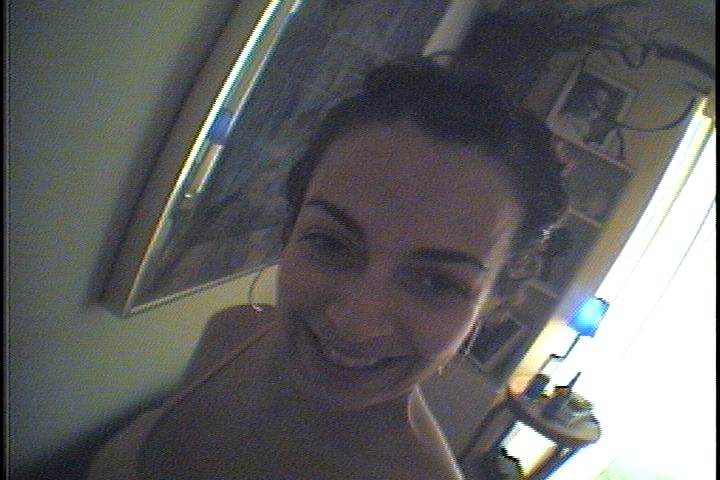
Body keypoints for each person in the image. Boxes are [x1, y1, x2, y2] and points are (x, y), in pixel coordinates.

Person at [86, 57, 568, 480]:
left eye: (435, 282)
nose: (355, 322)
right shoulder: (229, 334)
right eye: (331, 243)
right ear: (291, 228)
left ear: (494, 300)